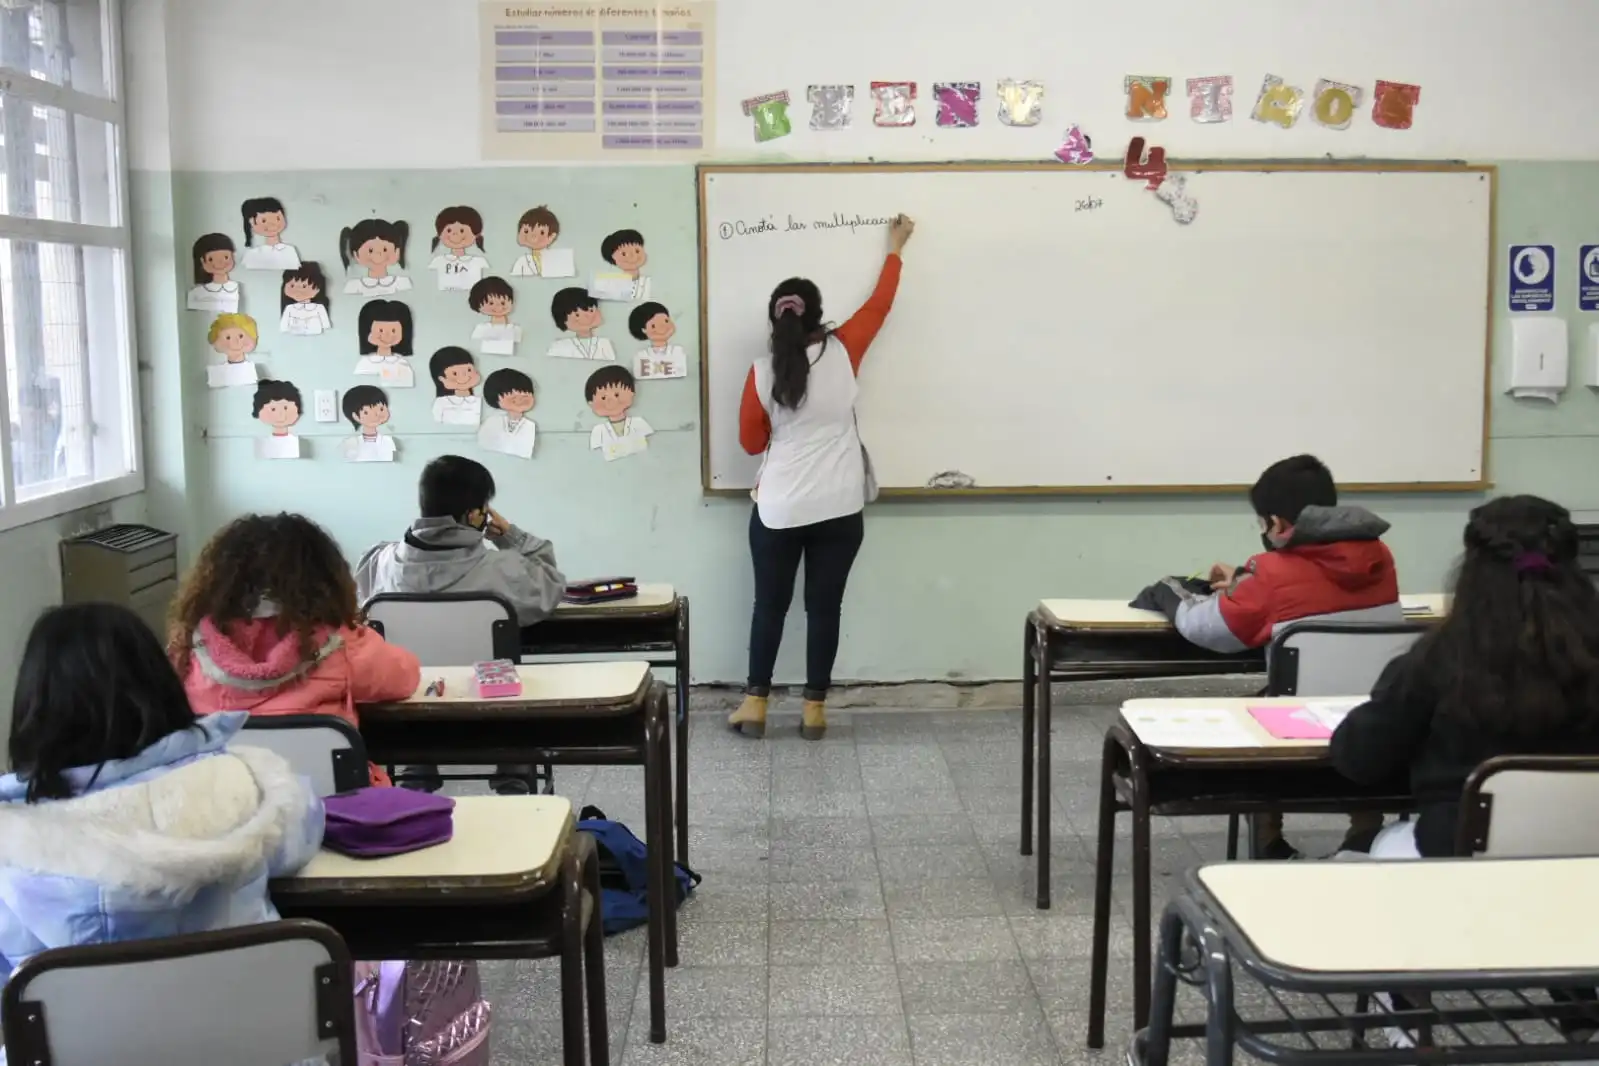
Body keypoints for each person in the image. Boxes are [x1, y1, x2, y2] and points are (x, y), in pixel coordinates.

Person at [0, 603, 324, 977]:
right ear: (159, 682)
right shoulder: (240, 782)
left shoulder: (14, 845)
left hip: (87, 1036)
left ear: (34, 705)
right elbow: (300, 832)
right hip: (254, 1024)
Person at [728, 213, 915, 742]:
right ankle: (813, 712)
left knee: (769, 606)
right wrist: (895, 248)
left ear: (774, 319)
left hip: (780, 508)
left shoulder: (761, 373)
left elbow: (750, 443)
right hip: (839, 505)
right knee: (824, 608)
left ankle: (755, 707)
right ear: (818, 315)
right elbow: (880, 304)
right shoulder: (845, 348)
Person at [1331, 495, 1599, 859]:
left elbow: (1360, 759)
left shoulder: (1438, 659)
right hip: (1584, 861)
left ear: (1471, 568)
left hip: (1457, 860)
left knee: (1357, 850)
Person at [1173, 454, 1401, 858]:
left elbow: (1210, 631)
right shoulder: (1380, 558)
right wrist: (1247, 580)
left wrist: (1173, 597)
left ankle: (1268, 841)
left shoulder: (1271, 573)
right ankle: (1366, 830)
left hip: (1291, 726)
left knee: (1251, 709)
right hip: (1373, 718)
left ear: (1275, 524)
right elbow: (1314, 585)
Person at [355, 454, 566, 794]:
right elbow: (551, 584)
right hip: (492, 717)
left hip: (405, 717)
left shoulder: (379, 563)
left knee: (417, 678)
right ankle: (512, 778)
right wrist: (510, 535)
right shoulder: (503, 569)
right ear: (475, 515)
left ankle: (416, 774)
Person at [172, 513, 421, 788]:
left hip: (223, 812)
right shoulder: (340, 642)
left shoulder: (189, 649)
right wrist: (362, 632)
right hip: (332, 813)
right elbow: (405, 677)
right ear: (324, 580)